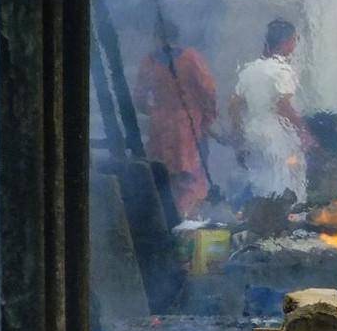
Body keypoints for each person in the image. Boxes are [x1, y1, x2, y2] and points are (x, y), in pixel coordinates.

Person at [133, 19, 217, 216]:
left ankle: (169, 220)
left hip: (160, 128)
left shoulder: (150, 61)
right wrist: (207, 118)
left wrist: (154, 112)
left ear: (156, 38)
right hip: (188, 127)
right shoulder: (191, 58)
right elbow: (209, 90)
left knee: (164, 177)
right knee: (189, 178)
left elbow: (139, 97)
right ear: (177, 37)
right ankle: (186, 222)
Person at [231, 19, 313, 203]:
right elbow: (283, 105)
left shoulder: (249, 70)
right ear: (287, 42)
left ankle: (262, 222)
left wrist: (238, 135)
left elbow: (234, 105)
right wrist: (303, 131)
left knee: (260, 180)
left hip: (253, 133)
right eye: (294, 40)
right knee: (283, 181)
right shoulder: (282, 70)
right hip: (276, 135)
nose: (294, 45)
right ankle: (285, 223)